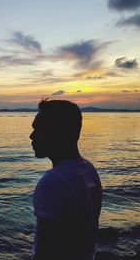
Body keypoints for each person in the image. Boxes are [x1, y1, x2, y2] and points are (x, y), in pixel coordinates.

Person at [30, 99, 102, 260]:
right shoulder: (88, 170)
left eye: (39, 129)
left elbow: (46, 253)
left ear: (60, 132)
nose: (32, 136)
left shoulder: (53, 182)